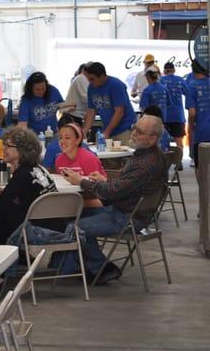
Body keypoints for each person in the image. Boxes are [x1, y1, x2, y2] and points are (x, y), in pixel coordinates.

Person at [63, 115, 168, 284]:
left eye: (139, 132)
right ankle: (80, 264)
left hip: (128, 217)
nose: (133, 133)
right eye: (134, 127)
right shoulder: (150, 155)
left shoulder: (145, 163)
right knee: (78, 214)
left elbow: (111, 193)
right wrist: (105, 181)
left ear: (153, 138)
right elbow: (126, 186)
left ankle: (101, 268)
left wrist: (81, 181)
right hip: (132, 211)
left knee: (75, 227)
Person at [0, 127, 58, 245]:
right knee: (2, 210)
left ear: (22, 150)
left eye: (8, 146)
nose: (3, 148)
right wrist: (7, 194)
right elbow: (26, 196)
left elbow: (1, 203)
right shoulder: (39, 169)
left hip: (37, 230)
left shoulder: (22, 174)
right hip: (54, 225)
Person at [82, 62, 137, 144]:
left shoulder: (116, 85)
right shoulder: (91, 88)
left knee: (126, 155)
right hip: (107, 130)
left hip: (124, 130)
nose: (90, 82)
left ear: (102, 76)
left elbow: (119, 112)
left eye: (92, 79)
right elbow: (91, 111)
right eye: (88, 79)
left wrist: (107, 132)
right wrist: (84, 131)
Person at [55, 122, 106, 209]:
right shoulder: (59, 159)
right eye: (60, 138)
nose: (62, 141)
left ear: (78, 140)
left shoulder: (89, 158)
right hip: (71, 199)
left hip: (92, 200)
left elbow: (97, 189)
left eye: (67, 138)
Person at [185, 59, 210, 178]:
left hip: (201, 133)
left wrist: (190, 127)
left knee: (200, 168)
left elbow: (192, 113)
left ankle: (204, 195)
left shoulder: (191, 86)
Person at [160, 61, 187, 162]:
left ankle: (164, 162)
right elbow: (187, 93)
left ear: (164, 71)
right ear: (174, 70)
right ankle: (178, 162)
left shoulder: (160, 80)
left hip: (164, 115)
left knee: (163, 141)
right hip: (178, 115)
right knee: (179, 141)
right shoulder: (180, 80)